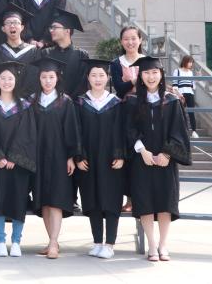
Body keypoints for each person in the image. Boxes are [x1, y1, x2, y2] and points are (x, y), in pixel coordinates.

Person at [126, 56, 192, 262]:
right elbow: (128, 129)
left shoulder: (172, 101)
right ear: (141, 76)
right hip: (142, 159)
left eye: (155, 72)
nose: (151, 77)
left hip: (165, 161)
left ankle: (163, 244)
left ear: (161, 75)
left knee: (165, 202)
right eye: (146, 73)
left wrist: (167, 153)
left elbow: (180, 131)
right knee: (144, 202)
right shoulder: (132, 100)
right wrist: (142, 150)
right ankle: (152, 245)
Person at [30, 56, 81, 259]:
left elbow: (72, 130)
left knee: (56, 199)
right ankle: (52, 240)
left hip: (59, 156)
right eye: (44, 77)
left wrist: (71, 156)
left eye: (51, 77)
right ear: (39, 78)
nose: (48, 81)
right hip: (38, 156)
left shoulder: (65, 101)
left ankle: (53, 242)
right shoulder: (32, 101)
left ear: (57, 78)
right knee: (43, 200)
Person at [76, 59, 126, 260]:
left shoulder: (116, 103)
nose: (97, 79)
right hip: (88, 159)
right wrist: (79, 156)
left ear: (107, 78)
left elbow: (121, 131)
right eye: (94, 75)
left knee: (111, 200)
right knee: (92, 199)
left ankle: (110, 244)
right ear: (88, 78)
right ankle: (97, 242)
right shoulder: (80, 102)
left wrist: (120, 154)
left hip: (110, 159)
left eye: (101, 75)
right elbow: (76, 132)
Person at [0, 62, 37, 257]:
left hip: (18, 163)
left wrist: (15, 157)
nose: (6, 82)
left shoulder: (25, 106)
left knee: (18, 201)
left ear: (16, 81)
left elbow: (27, 134)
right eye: (2, 78)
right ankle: (0, 241)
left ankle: (16, 241)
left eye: (10, 78)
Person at [0, 4, 40, 97]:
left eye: (16, 22)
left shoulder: (33, 52)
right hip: (4, 100)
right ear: (3, 29)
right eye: (8, 23)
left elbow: (34, 79)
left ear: (22, 27)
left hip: (27, 100)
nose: (12, 25)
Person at [41, 9, 89, 97]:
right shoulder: (46, 53)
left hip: (75, 103)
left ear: (67, 31)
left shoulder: (81, 55)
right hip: (50, 102)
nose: (51, 30)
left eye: (55, 27)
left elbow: (83, 84)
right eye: (51, 28)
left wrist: (68, 101)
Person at [110, 25, 145, 98]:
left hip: (146, 102)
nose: (130, 42)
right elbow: (119, 89)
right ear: (121, 41)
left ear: (140, 40)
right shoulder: (116, 63)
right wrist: (135, 81)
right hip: (124, 103)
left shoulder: (147, 61)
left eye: (133, 38)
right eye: (126, 39)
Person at [172, 55, 199, 137]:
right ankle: (180, 131)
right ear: (185, 62)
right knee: (180, 113)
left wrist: (197, 77)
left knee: (191, 112)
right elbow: (174, 86)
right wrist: (179, 95)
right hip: (180, 94)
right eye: (189, 62)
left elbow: (193, 86)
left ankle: (194, 131)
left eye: (192, 62)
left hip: (190, 93)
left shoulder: (190, 73)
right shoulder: (177, 71)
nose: (191, 64)